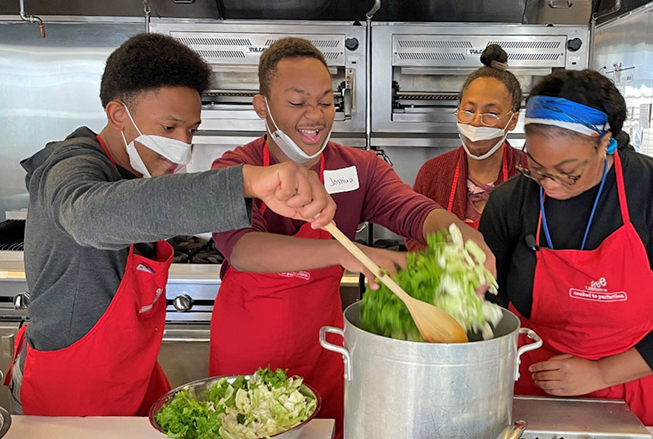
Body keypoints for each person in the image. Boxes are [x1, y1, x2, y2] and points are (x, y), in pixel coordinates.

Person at [5, 33, 335, 417]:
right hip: (69, 388)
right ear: (117, 115)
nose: (182, 145)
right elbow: (90, 217)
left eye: (191, 131)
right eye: (169, 128)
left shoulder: (133, 172)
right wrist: (246, 181)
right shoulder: (69, 165)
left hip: (134, 376)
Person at [207, 37, 495, 438]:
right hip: (249, 347)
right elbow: (243, 250)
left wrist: (459, 235)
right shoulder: (237, 169)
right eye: (297, 102)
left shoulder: (359, 168)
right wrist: (345, 252)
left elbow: (413, 211)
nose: (316, 115)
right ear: (262, 107)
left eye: (326, 102)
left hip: (323, 347)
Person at [479, 69, 653, 426]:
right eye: (535, 167)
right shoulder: (512, 201)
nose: (549, 185)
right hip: (536, 380)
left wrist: (602, 373)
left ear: (605, 142)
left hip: (639, 384)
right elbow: (490, 301)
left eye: (569, 171)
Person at [407, 45, 524, 250]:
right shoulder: (432, 173)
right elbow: (414, 234)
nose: (476, 122)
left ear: (512, 121)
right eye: (468, 111)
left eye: (491, 113)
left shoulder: (529, 174)